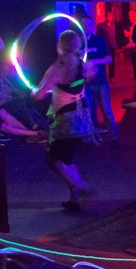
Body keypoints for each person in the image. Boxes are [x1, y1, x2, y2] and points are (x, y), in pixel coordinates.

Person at [31, 30, 95, 212]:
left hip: (66, 119)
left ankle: (81, 186)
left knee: (53, 160)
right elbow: (83, 80)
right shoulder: (82, 64)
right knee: (67, 158)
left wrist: (34, 90)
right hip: (82, 116)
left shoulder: (57, 69)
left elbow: (39, 95)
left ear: (59, 45)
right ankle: (74, 199)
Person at [82, 16, 120, 148]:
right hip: (86, 84)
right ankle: (92, 136)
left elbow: (109, 59)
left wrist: (95, 61)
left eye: (88, 24)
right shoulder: (78, 42)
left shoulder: (99, 40)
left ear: (91, 25)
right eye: (83, 24)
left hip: (101, 82)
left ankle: (114, 136)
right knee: (89, 111)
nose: (86, 26)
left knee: (106, 109)